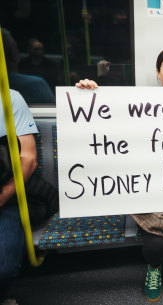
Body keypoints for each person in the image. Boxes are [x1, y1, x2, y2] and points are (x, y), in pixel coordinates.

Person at [76, 48, 163, 302]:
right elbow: (108, 134)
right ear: (157, 73)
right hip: (155, 202)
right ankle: (155, 267)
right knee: (156, 246)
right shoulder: (140, 106)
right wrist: (89, 96)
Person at [0, 90, 38, 305]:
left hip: (5, 192)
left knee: (3, 267)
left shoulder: (10, 98)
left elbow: (28, 157)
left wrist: (2, 197)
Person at [1, 29, 55, 104]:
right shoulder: (37, 84)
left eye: (41, 49)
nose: (38, 52)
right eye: (36, 49)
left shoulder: (50, 65)